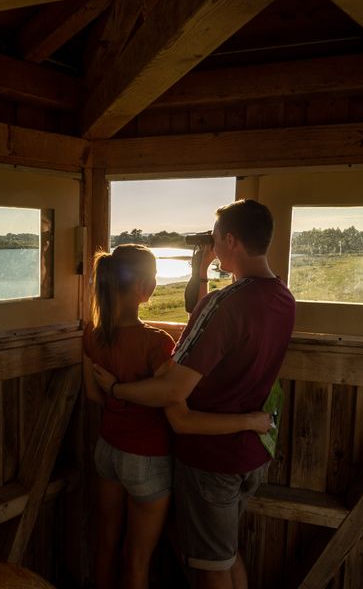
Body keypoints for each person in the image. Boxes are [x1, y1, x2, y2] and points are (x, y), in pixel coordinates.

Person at [92, 200, 296, 589]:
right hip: (252, 450)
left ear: (231, 241)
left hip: (212, 457)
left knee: (210, 567)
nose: (212, 244)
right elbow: (209, 321)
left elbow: (174, 388)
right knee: (227, 554)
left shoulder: (226, 304)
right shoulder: (282, 298)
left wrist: (116, 388)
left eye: (216, 238)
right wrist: (200, 274)